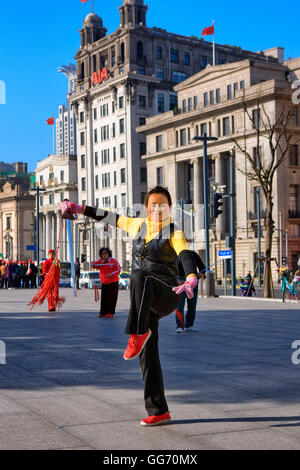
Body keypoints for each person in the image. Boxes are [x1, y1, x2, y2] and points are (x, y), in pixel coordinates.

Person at [61, 186, 198, 427]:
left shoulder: (174, 232)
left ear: (170, 208)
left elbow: (185, 253)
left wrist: (191, 277)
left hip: (165, 291)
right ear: (147, 207)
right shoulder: (138, 225)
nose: (157, 209)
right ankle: (158, 410)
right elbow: (108, 216)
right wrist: (79, 208)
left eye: (162, 205)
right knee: (148, 355)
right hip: (144, 297)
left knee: (138, 276)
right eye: (153, 204)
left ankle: (137, 332)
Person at [175, 250, 205, 333]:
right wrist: (176, 279)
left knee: (192, 304)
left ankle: (189, 325)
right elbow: (172, 269)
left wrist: (201, 274)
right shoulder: (176, 255)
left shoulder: (194, 254)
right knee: (179, 305)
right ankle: (179, 326)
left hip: (192, 282)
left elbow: (202, 268)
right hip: (180, 281)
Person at [91, 248, 120, 318]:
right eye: (102, 254)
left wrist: (112, 274)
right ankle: (103, 312)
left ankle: (111, 313)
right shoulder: (101, 261)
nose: (104, 255)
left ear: (109, 254)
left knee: (111, 298)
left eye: (105, 253)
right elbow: (94, 265)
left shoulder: (113, 261)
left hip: (113, 283)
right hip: (104, 283)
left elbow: (118, 270)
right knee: (104, 298)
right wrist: (93, 263)